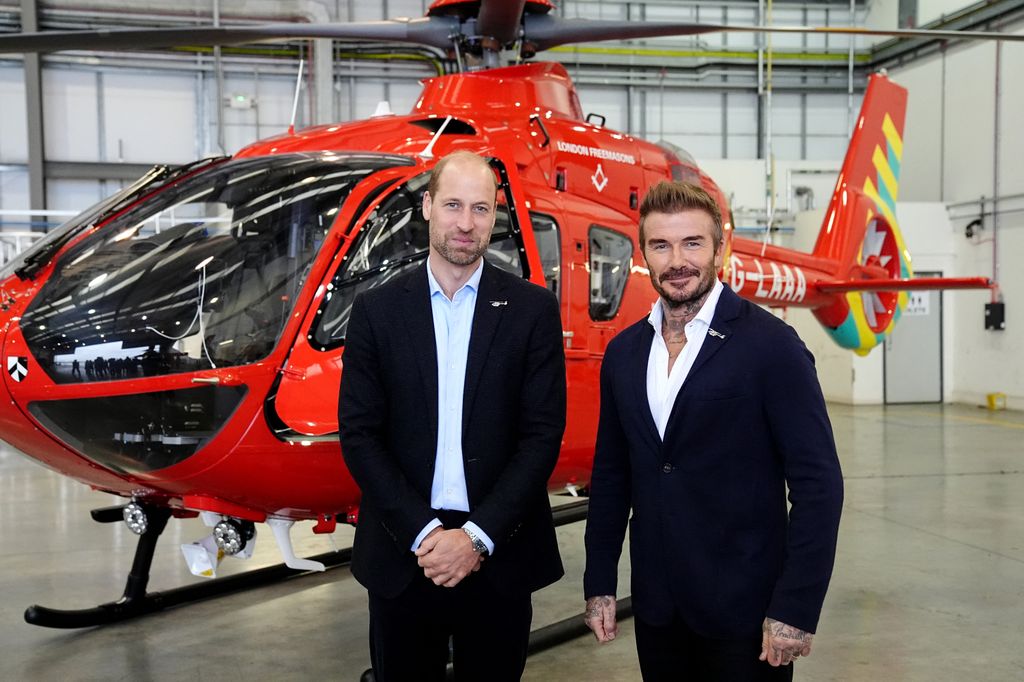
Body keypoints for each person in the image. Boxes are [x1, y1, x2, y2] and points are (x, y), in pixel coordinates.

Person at [583, 181, 844, 681]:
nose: (677, 260)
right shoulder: (625, 354)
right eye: (661, 245)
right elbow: (613, 477)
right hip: (658, 610)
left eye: (692, 243)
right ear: (645, 254)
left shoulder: (772, 346)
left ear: (719, 249)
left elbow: (819, 486)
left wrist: (795, 607)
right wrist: (600, 582)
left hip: (747, 613)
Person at [338, 150, 567, 682]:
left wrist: (477, 537)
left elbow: (541, 437)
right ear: (427, 206)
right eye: (454, 205)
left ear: (495, 217)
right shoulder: (378, 310)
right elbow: (360, 435)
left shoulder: (532, 310)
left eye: (481, 209)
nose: (466, 223)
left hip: (499, 554)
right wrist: (424, 534)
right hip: (404, 553)